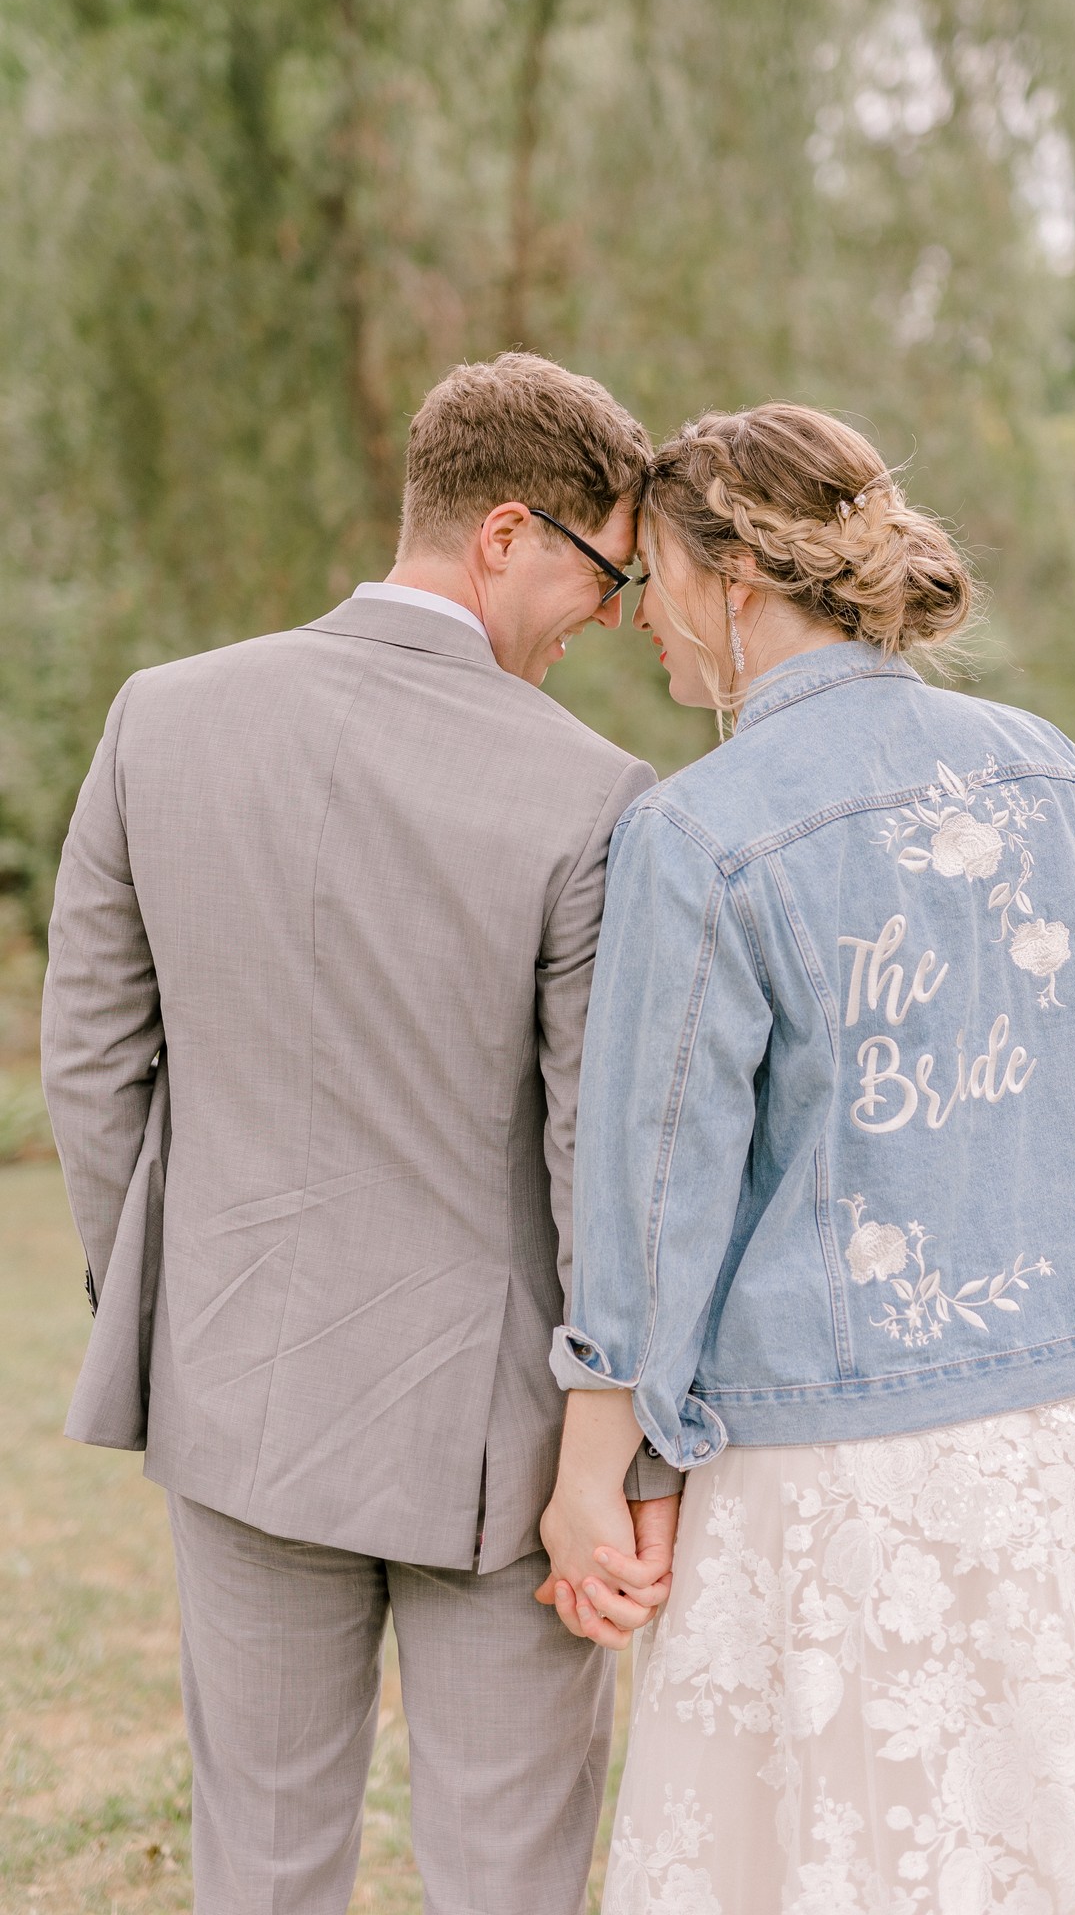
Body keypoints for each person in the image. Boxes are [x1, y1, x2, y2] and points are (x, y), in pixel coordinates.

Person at [539, 404, 1075, 1911]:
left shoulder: (698, 833)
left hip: (839, 1468)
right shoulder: (1047, 770)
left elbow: (658, 1189)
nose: (640, 620)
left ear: (734, 583)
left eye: (650, 578)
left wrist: (597, 1464)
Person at [41, 351, 678, 1915]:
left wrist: (179, 1302)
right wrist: (623, 1441)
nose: (608, 620)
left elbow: (92, 1061)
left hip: (234, 1385)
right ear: (506, 534)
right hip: (503, 1442)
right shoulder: (596, 797)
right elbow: (603, 1156)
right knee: (505, 1872)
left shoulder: (160, 718)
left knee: (255, 1863)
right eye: (603, 574)